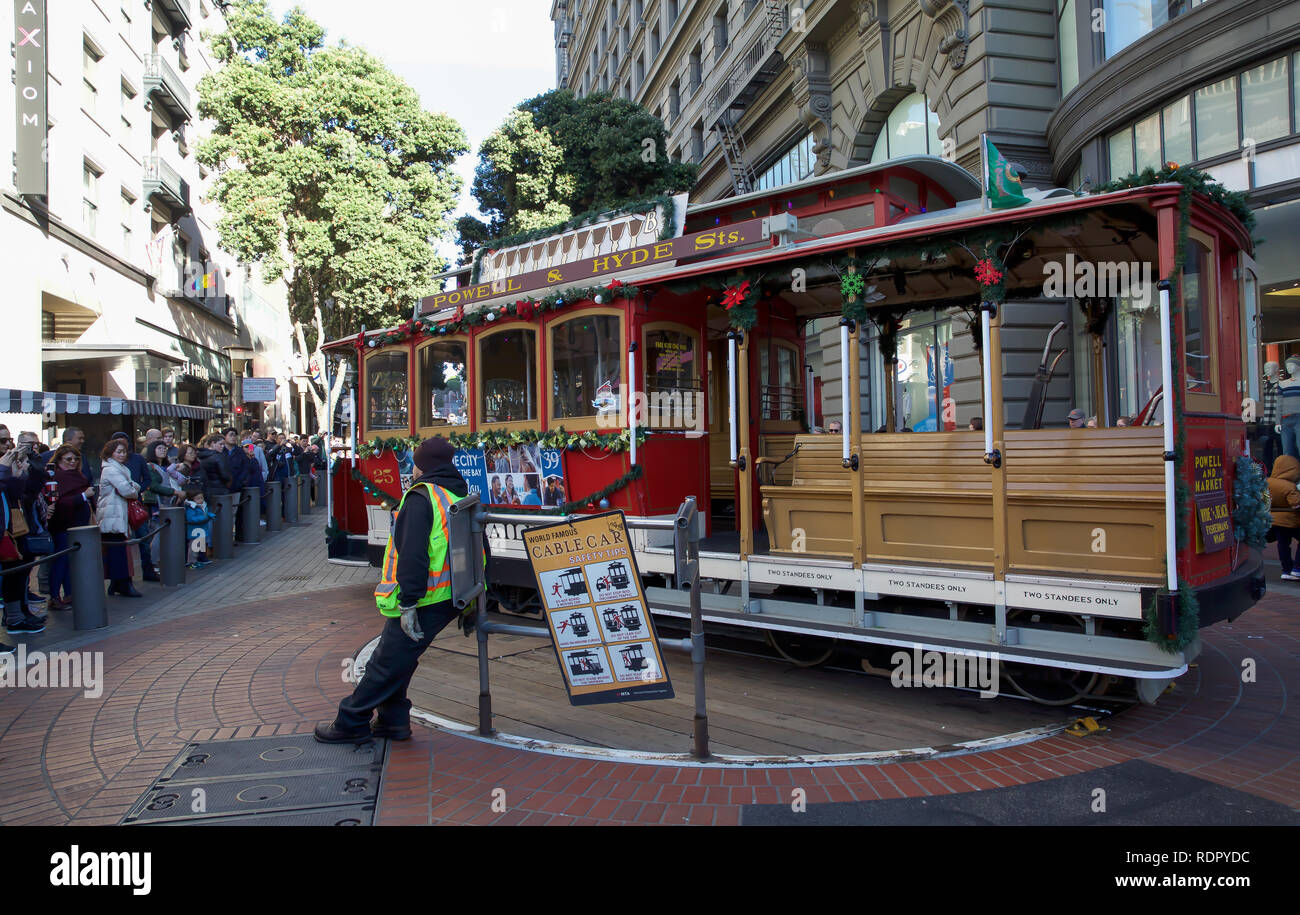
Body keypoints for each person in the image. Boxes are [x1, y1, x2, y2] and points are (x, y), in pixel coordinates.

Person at [315, 437, 470, 743]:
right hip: (447, 594)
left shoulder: (420, 496)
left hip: (425, 596)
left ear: (424, 465)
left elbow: (413, 554)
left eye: (415, 461)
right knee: (400, 657)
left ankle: (350, 721)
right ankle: (392, 720)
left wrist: (408, 603)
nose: (411, 467)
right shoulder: (455, 490)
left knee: (385, 662)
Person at [0, 435, 47, 635]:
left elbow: (20, 495)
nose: (6, 445)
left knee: (18, 572)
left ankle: (17, 617)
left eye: (7, 440)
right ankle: (14, 618)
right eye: (2, 440)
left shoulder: (7, 465)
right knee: (11, 574)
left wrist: (20, 473)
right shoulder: (2, 466)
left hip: (15, 526)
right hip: (7, 528)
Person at [46, 445, 94, 612]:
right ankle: (54, 597)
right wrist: (83, 496)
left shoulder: (78, 475)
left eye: (75, 459)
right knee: (61, 560)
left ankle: (70, 594)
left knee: (71, 561)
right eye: (68, 459)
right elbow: (61, 503)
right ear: (59, 460)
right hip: (63, 525)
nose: (72, 462)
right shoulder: (57, 477)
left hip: (78, 524)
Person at [97, 439, 142, 598]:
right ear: (111, 453)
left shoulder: (119, 468)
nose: (122, 454)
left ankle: (117, 583)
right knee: (118, 551)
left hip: (117, 513)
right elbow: (128, 490)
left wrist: (132, 486)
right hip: (112, 514)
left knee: (119, 550)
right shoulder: (111, 469)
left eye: (124, 451)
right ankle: (123, 583)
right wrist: (134, 488)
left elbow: (130, 486)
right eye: (119, 451)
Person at [1268, 455, 1300, 580]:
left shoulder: (1267, 483)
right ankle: (1297, 568)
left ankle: (1286, 569)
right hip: (1291, 521)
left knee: (1283, 544)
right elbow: (1296, 503)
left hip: (1275, 521)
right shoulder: (1288, 486)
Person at [184, 491, 216, 569]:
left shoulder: (202, 506)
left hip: (201, 529)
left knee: (198, 546)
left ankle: (197, 560)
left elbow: (205, 513)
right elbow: (191, 518)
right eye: (198, 498)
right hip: (195, 530)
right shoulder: (191, 508)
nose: (201, 500)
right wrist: (204, 518)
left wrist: (210, 515)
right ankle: (192, 562)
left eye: (202, 498)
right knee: (194, 547)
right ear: (192, 499)